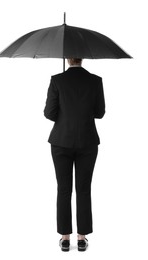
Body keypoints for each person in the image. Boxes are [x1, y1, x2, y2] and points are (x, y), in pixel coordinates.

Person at [44, 58, 105, 252]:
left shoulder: (57, 80)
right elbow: (100, 112)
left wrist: (65, 110)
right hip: (87, 141)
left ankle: (64, 238)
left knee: (63, 189)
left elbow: (49, 113)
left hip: (61, 141)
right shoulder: (95, 81)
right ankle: (81, 238)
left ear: (67, 59)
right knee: (84, 189)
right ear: (82, 58)